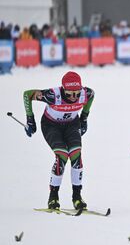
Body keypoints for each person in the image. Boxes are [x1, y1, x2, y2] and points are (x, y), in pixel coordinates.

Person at [23, 71, 94, 210]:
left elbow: (92, 96)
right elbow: (27, 94)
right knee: (62, 156)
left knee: (76, 154)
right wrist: (30, 118)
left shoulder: (86, 93)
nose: (73, 97)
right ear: (63, 89)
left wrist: (84, 118)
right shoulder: (52, 95)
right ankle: (53, 197)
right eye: (69, 94)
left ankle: (77, 197)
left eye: (76, 93)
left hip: (72, 125)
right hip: (51, 126)